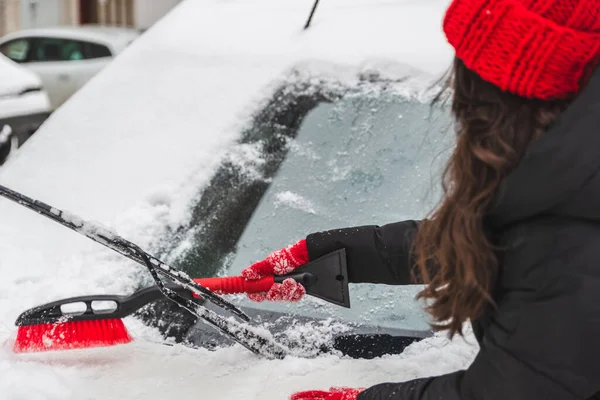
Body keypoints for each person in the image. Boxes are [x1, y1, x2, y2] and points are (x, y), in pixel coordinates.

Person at [240, 0, 600, 399]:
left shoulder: (571, 237)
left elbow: (517, 389)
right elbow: (499, 242)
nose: (455, 95)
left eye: (467, 77)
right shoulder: (569, 183)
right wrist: (328, 254)